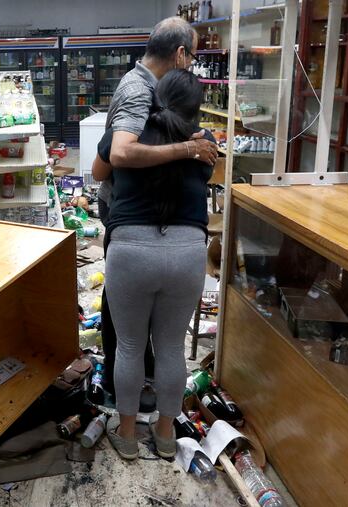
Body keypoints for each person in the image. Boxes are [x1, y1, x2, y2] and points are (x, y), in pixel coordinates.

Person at [93, 16, 218, 404]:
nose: (193, 62)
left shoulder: (152, 94)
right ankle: (141, 401)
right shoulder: (139, 91)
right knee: (146, 336)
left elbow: (104, 161)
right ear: (180, 54)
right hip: (136, 216)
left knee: (133, 330)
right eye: (193, 55)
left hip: (136, 228)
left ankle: (131, 406)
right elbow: (121, 153)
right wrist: (187, 148)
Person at [100, 69, 213, 460]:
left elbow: (100, 171)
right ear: (198, 109)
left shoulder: (126, 137)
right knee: (170, 347)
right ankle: (165, 436)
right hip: (188, 250)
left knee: (129, 345)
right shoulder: (205, 143)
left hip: (130, 249)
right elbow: (199, 176)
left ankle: (128, 436)